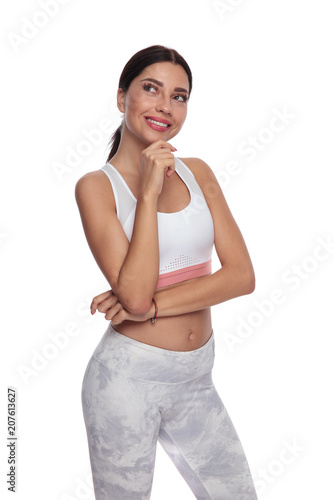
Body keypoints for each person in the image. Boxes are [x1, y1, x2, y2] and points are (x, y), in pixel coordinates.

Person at [75, 44, 258, 500]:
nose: (165, 105)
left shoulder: (198, 171)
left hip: (197, 380)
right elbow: (133, 297)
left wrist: (154, 303)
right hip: (125, 384)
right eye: (150, 89)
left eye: (180, 96)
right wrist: (151, 191)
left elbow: (240, 276)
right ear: (122, 99)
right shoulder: (97, 188)